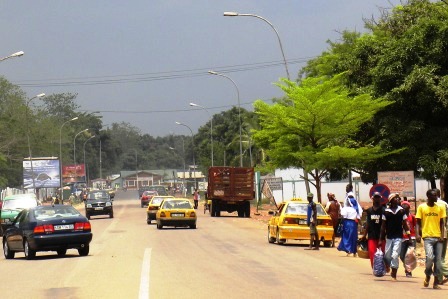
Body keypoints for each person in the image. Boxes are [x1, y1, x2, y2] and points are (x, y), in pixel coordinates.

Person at [416, 189, 446, 289]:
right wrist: (417, 234)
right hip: (427, 237)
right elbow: (418, 222)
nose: (436, 197)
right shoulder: (421, 207)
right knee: (429, 258)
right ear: (428, 196)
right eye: (434, 195)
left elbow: (442, 222)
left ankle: (436, 282)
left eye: (437, 195)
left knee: (438, 261)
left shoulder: (440, 208)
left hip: (438, 237)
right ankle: (428, 274)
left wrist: (442, 235)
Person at [378, 193, 411, 281]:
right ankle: (388, 265)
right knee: (388, 255)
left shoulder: (401, 211)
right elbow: (383, 226)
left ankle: (394, 273)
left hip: (398, 237)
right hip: (389, 237)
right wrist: (381, 239)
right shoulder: (386, 212)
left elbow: (405, 224)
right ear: (391, 200)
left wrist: (409, 237)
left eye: (398, 198)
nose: (397, 200)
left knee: (395, 254)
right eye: (395, 198)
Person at [361, 192, 385, 268]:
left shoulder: (383, 210)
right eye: (375, 197)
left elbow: (384, 224)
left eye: (378, 197)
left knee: (382, 253)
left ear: (380, 198)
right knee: (372, 252)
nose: (377, 199)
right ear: (373, 199)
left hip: (381, 236)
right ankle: (375, 268)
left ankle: (383, 267)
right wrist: (364, 235)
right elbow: (368, 223)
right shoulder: (369, 211)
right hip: (371, 235)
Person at [337, 186, 360, 257]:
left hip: (347, 223)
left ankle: (348, 249)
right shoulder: (356, 209)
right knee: (353, 237)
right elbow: (359, 215)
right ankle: (354, 251)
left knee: (347, 236)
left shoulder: (347, 208)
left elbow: (343, 215)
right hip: (354, 223)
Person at [399, 200, 416, 277]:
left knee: (409, 254)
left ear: (409, 208)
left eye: (406, 207)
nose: (405, 208)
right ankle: (407, 268)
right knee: (402, 256)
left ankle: (408, 271)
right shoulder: (399, 217)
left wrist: (418, 235)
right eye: (403, 207)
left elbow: (416, 226)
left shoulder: (412, 217)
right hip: (402, 238)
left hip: (411, 237)